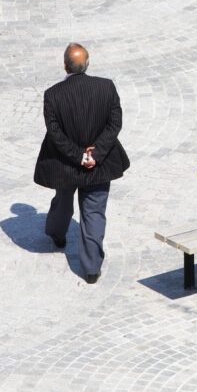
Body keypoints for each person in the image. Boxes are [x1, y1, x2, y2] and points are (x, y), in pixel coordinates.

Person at [34, 43, 129, 283]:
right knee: (94, 213)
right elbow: (114, 124)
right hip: (100, 164)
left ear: (64, 65)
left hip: (65, 164)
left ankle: (57, 235)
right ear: (87, 65)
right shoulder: (106, 87)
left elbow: (55, 134)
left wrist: (79, 156)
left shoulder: (53, 95)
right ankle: (92, 269)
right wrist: (94, 154)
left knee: (63, 202)